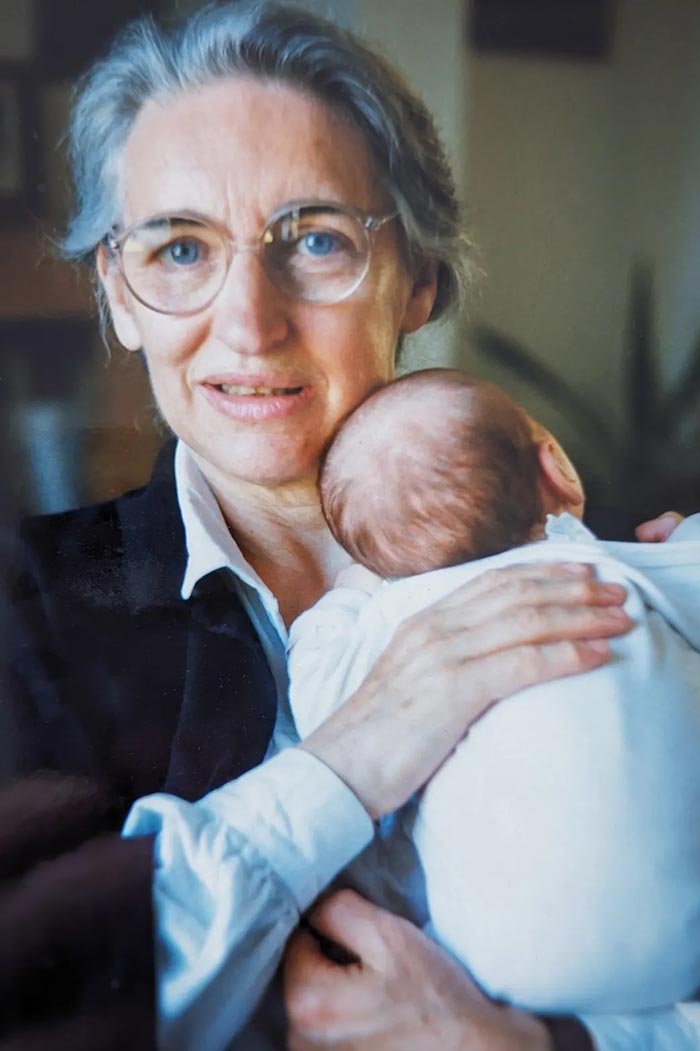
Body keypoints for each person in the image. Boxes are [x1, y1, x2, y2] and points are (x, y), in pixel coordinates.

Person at [1, 3, 693, 1050]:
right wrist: (363, 744)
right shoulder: (23, 619)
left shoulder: (590, 575)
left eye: (316, 239)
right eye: (180, 248)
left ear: (418, 277)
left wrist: (545, 1044)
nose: (248, 322)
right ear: (120, 293)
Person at [288, 367, 700, 1016]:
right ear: (554, 471)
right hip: (686, 951)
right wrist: (681, 537)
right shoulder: (604, 567)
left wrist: (344, 602)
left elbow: (321, 700)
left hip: (495, 971)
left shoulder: (391, 625)